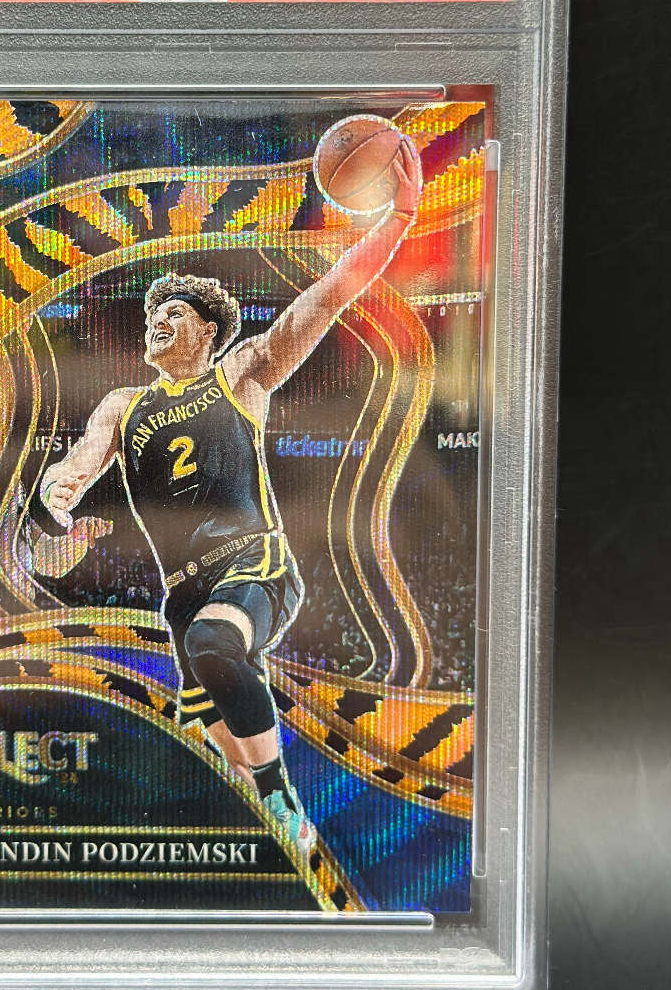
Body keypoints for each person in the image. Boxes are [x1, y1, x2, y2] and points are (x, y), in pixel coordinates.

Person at [28, 137, 423, 856]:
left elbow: (328, 296)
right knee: (216, 733)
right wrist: (59, 491)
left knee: (215, 647)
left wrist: (397, 219)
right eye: (152, 313)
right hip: (182, 591)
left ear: (207, 331)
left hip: (253, 565)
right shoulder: (122, 404)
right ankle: (276, 835)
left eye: (174, 312)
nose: (157, 319)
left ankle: (282, 796)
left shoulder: (240, 375)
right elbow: (81, 462)